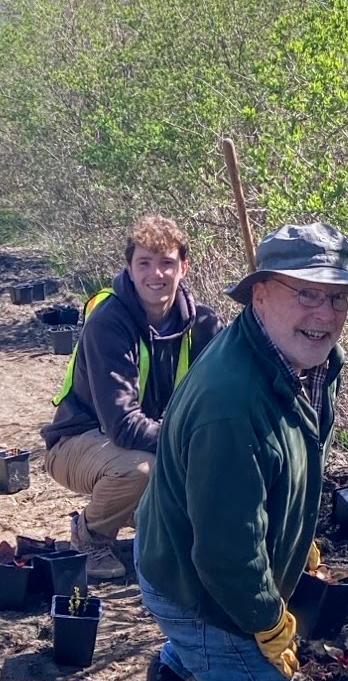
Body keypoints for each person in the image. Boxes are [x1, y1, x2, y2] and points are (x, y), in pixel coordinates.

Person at [70, 222, 348, 681]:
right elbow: (225, 556)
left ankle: (172, 665)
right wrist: (269, 621)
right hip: (194, 581)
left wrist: (300, 544)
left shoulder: (306, 361)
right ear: (259, 295)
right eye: (307, 293)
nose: (326, 312)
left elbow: (282, 475)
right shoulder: (232, 405)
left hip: (195, 561)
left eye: (337, 297)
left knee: (248, 618)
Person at [42, 215, 220, 582]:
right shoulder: (108, 322)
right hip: (78, 442)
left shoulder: (203, 324)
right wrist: (189, 445)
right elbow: (122, 426)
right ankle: (90, 536)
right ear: (129, 268)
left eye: (167, 263)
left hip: (149, 441)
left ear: (183, 268)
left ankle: (146, 519)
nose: (156, 274)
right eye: (145, 263)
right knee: (140, 470)